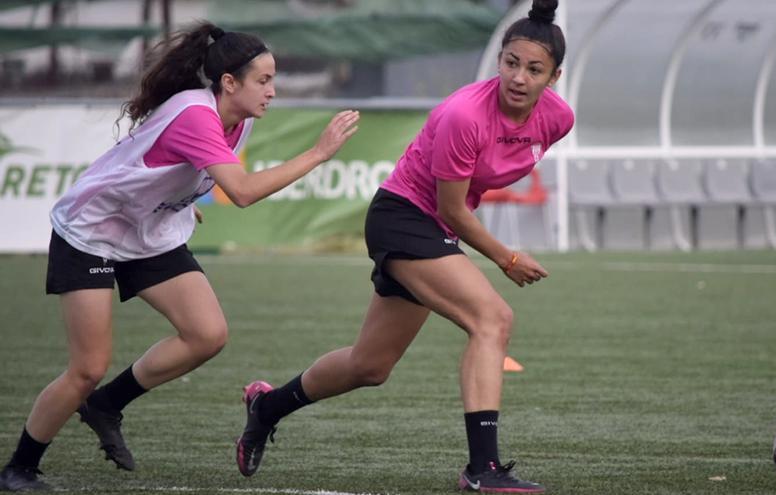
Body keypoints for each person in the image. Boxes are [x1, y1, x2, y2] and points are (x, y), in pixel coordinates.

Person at [0, 22, 359, 492]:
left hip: (148, 229)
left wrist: (180, 200)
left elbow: (176, 168)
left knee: (206, 334)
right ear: (229, 82)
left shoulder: (241, 119)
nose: (273, 91)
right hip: (91, 231)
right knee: (87, 366)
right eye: (264, 81)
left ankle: (106, 405)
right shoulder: (196, 115)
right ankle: (19, 468)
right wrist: (319, 153)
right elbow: (243, 192)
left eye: (274, 80)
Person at [234, 1, 572, 492]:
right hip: (404, 217)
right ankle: (482, 471)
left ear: (554, 77)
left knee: (369, 366)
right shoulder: (463, 115)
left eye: (534, 69)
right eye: (511, 63)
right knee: (492, 319)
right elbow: (453, 209)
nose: (518, 77)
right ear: (499, 60)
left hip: (436, 229)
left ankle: (266, 407)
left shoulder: (558, 120)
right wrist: (508, 257)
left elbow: (487, 178)